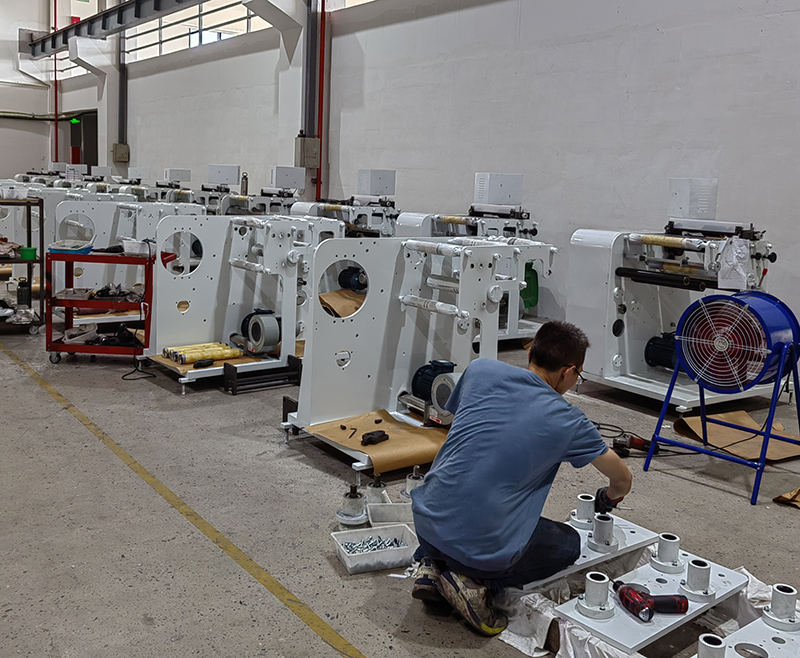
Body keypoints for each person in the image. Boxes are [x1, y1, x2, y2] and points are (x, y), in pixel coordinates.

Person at [409, 320, 632, 636]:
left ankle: (432, 566)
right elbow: (623, 479)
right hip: (481, 550)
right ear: (569, 371)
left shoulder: (480, 370)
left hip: (425, 522)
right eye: (578, 376)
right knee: (568, 543)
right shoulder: (568, 421)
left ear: (531, 353)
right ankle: (472, 583)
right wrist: (609, 497)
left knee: (471, 505)